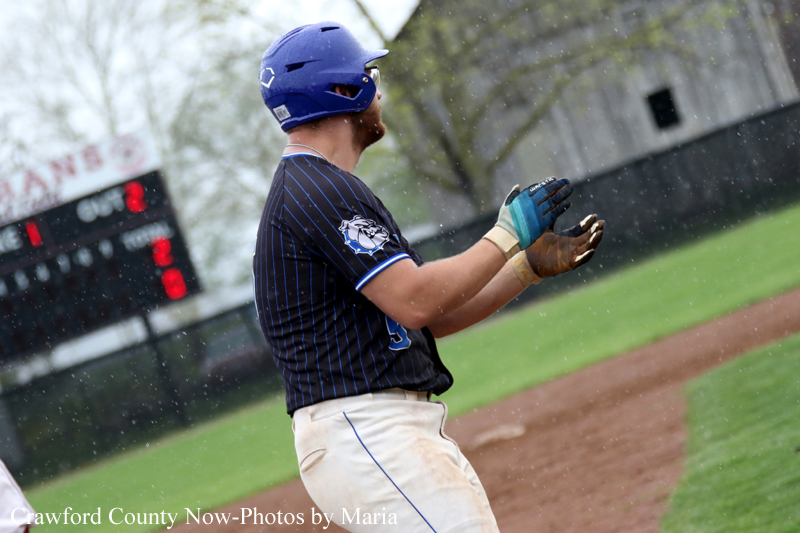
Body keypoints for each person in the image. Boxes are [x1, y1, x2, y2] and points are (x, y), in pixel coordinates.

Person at [253, 21, 604, 533]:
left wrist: (522, 269)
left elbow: (428, 318)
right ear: (345, 90)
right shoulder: (318, 192)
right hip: (367, 428)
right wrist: (507, 234)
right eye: (368, 73)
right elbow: (417, 300)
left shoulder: (322, 188)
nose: (378, 88)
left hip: (380, 428)